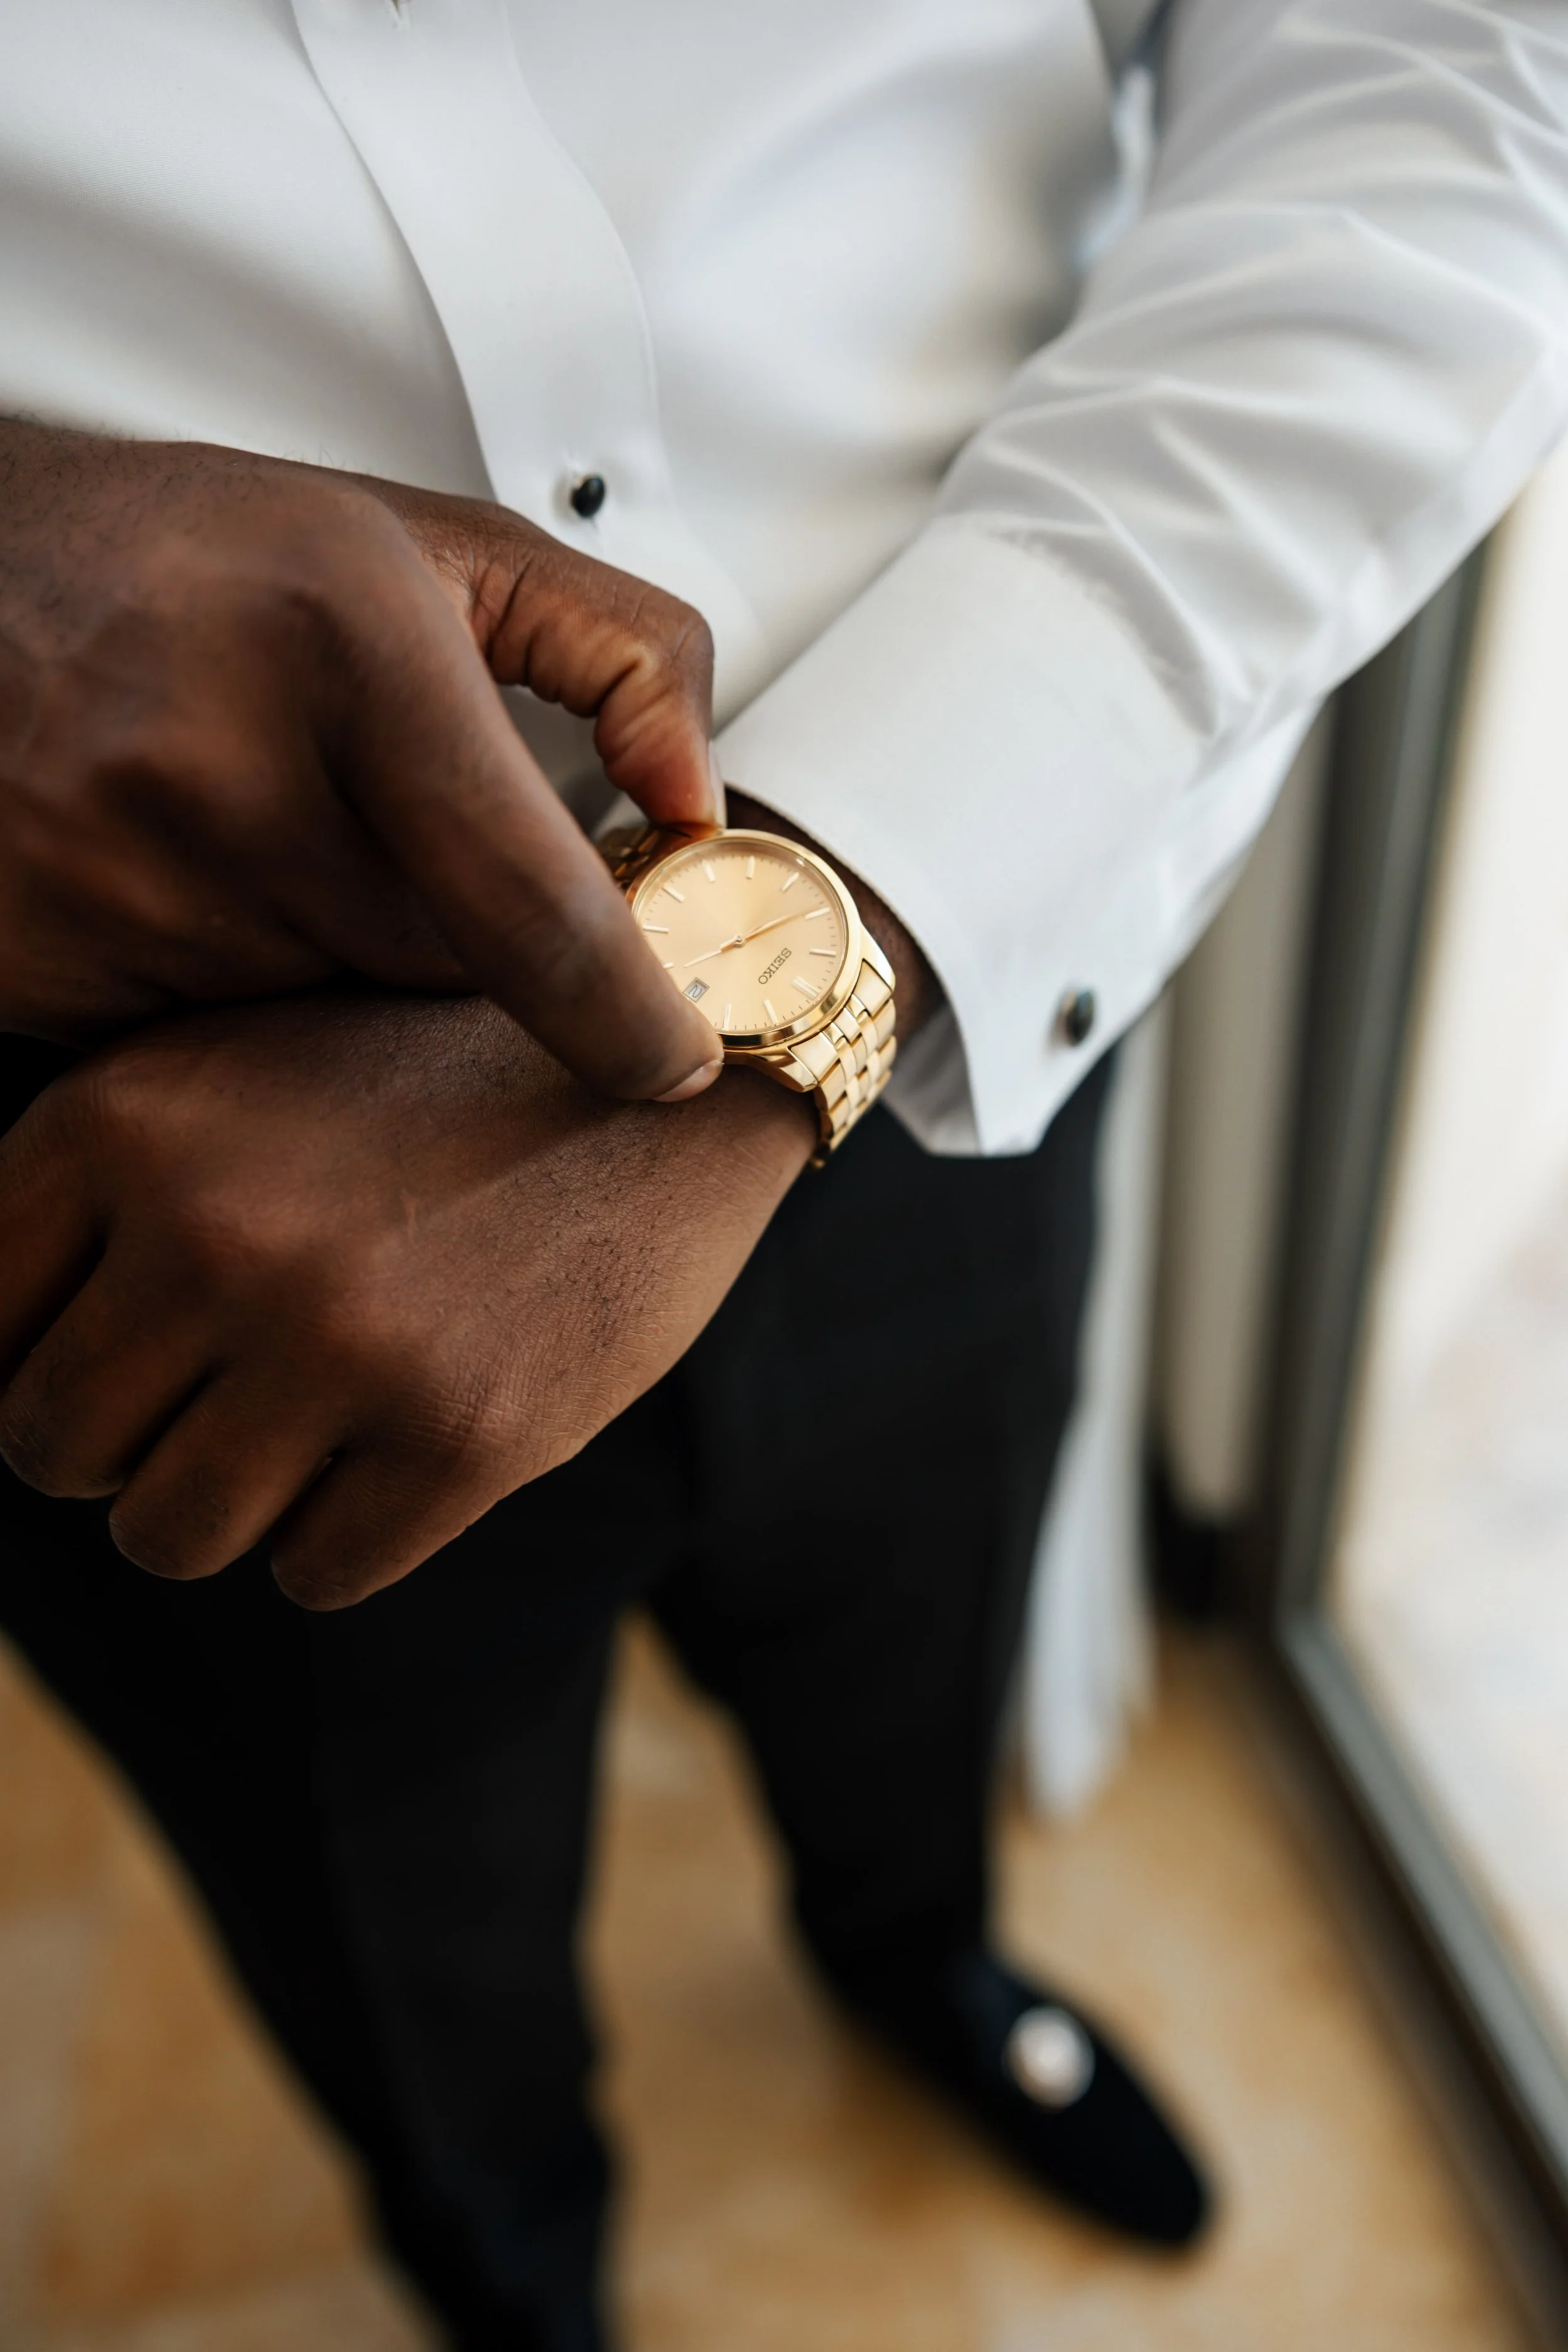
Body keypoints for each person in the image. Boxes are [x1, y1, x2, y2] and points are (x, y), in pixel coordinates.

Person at [1, 2, 1564, 2343]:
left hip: (952, 1012)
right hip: (167, 1171)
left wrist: (841, 930)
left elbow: (1450, 82)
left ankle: (917, 1958)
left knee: (912, 1672)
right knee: (391, 1924)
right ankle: (521, 2272)